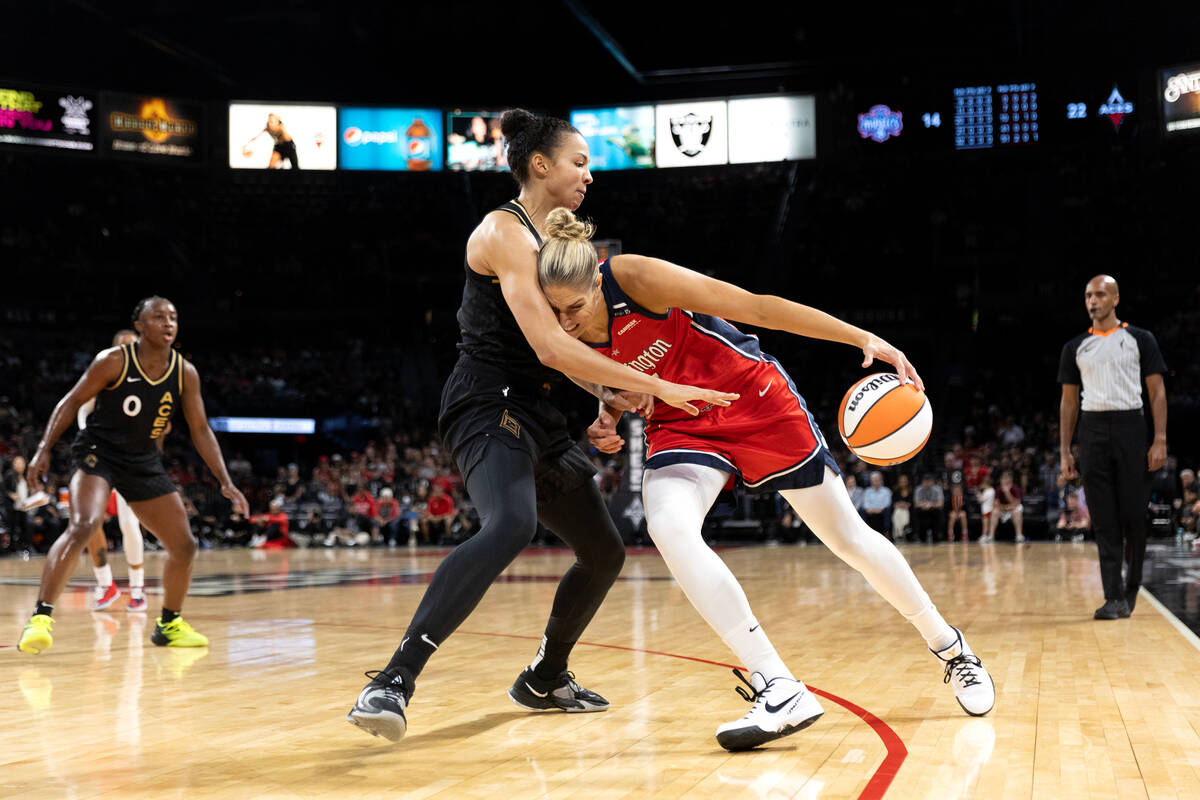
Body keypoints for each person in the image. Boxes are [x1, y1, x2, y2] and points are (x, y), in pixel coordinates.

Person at [537, 206, 994, 751]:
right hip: (682, 422)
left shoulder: (635, 278)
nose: (565, 323)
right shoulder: (553, 333)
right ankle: (776, 683)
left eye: (576, 308)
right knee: (668, 525)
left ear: (597, 277)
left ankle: (951, 647)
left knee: (848, 539)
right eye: (554, 311)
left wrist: (861, 338)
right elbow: (615, 387)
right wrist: (609, 414)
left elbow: (756, 307)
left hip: (753, 400)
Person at [346, 109, 737, 742]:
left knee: (606, 552)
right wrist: (654, 385)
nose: (589, 173)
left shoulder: (560, 242)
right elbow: (551, 346)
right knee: (511, 523)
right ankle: (393, 680)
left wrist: (606, 403)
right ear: (540, 165)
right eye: (579, 162)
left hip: (543, 414)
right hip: (487, 402)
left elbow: (562, 355)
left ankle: (545, 677)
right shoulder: (504, 233)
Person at [18, 297, 249, 654]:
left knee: (184, 545)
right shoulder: (113, 361)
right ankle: (40, 619)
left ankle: (169, 623)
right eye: (158, 317)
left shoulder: (184, 372)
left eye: (173, 317)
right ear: (139, 325)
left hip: (141, 460)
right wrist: (44, 448)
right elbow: (70, 402)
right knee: (84, 524)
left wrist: (225, 480)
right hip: (98, 452)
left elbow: (201, 429)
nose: (168, 323)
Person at [1059, 274, 1167, 620]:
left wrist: (1160, 438)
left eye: (1100, 294)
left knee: (1134, 515)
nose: (1093, 300)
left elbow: (1157, 393)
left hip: (1131, 426)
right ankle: (1113, 597)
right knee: (1103, 519)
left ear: (1116, 298)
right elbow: (1068, 403)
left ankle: (1132, 588)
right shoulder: (1075, 347)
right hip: (1092, 430)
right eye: (1088, 295)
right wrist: (1065, 450)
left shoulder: (1140, 339)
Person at [78, 329, 151, 612]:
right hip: (101, 454)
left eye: (131, 346)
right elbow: (83, 410)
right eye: (121, 346)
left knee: (129, 523)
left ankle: (137, 587)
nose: (126, 350)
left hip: (133, 457)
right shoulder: (104, 373)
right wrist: (88, 437)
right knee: (89, 521)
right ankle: (105, 584)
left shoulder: (150, 379)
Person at [994, 470, 1025, 543]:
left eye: (1006, 478)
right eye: (1003, 478)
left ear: (1010, 480)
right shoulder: (998, 489)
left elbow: (1016, 503)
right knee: (994, 511)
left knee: (1017, 511)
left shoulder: (1015, 488)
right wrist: (1005, 507)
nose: (1004, 480)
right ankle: (990, 536)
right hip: (1003, 510)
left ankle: (1019, 536)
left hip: (1013, 511)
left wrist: (1007, 492)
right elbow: (995, 504)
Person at [913, 473, 944, 543]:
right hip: (922, 510)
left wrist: (930, 504)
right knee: (917, 512)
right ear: (922, 481)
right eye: (925, 481)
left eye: (929, 481)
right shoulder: (918, 489)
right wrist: (925, 505)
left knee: (938, 512)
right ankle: (920, 537)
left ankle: (937, 537)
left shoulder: (938, 489)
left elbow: (941, 503)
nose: (927, 483)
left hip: (934, 509)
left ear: (932, 481)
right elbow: (916, 504)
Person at [861, 471, 893, 536]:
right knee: (862, 510)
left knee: (887, 510)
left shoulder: (886, 491)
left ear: (881, 480)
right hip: (870, 511)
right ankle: (864, 533)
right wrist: (870, 509)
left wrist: (879, 509)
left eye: (877, 480)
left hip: (882, 511)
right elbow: (865, 504)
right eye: (873, 480)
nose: (875, 482)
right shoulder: (867, 491)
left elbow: (887, 503)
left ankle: (886, 533)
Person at [977, 475, 996, 544]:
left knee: (985, 524)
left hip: (987, 510)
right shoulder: (991, 490)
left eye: (982, 484)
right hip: (987, 510)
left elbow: (980, 500)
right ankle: (987, 536)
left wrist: (978, 493)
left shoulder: (988, 491)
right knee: (987, 524)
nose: (981, 485)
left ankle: (984, 536)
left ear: (986, 484)